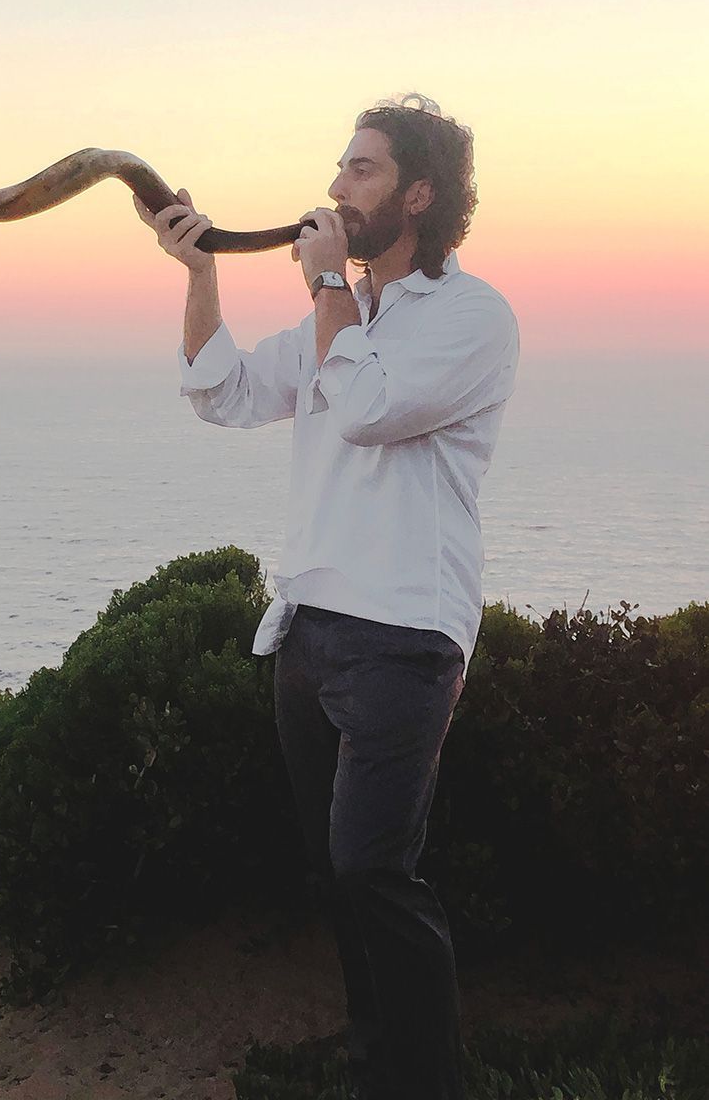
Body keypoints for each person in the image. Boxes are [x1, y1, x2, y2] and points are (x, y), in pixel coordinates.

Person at [133, 92, 520, 1100]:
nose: (336, 185)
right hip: (306, 636)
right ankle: (374, 1070)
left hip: (404, 639)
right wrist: (200, 272)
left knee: (373, 872)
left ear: (420, 195)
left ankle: (428, 1082)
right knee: (339, 884)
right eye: (339, 166)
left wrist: (325, 289)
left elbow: (367, 406)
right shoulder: (340, 315)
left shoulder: (473, 317)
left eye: (363, 170)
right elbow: (218, 391)